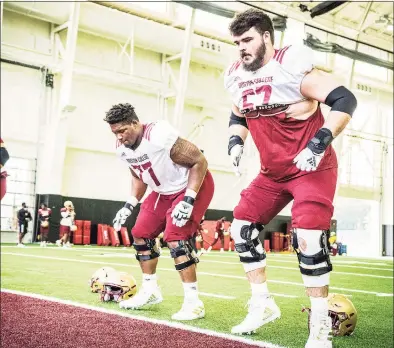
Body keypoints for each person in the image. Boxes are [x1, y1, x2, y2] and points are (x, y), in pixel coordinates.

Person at [224, 9, 357, 348]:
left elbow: (345, 98)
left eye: (248, 39)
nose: (241, 48)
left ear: (267, 37)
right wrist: (235, 140)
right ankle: (263, 303)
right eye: (237, 42)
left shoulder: (290, 66)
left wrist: (320, 140)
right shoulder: (236, 76)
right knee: (240, 230)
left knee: (310, 238)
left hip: (312, 168)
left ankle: (319, 325)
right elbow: (238, 112)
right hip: (272, 173)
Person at [104, 103, 214, 320]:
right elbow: (138, 174)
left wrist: (189, 199)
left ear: (135, 123)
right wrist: (130, 204)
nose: (119, 137)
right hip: (162, 190)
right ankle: (150, 290)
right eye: (115, 132)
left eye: (122, 130)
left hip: (191, 185)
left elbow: (199, 161)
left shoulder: (158, 134)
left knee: (176, 239)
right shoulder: (122, 148)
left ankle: (194, 302)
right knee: (140, 233)